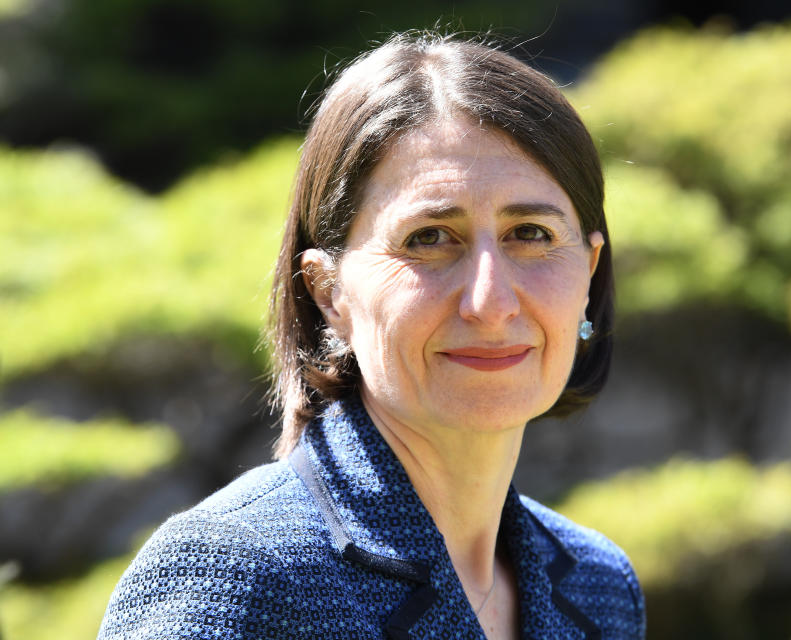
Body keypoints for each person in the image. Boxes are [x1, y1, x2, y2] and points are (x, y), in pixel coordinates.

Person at [98, 32, 645, 640]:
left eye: (532, 234)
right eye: (430, 237)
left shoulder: (600, 587)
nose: (490, 302)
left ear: (589, 275)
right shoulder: (234, 576)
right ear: (329, 292)